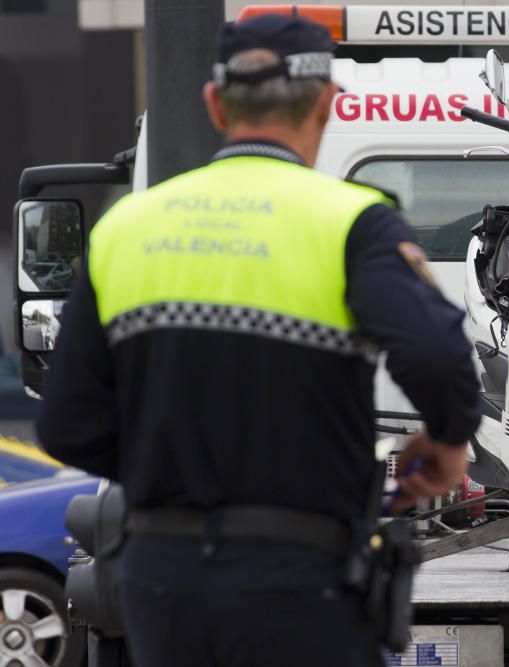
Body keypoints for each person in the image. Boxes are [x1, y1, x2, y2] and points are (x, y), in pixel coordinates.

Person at [36, 14, 481, 667]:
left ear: (217, 103)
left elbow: (67, 424)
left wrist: (173, 468)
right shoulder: (351, 223)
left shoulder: (125, 228)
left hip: (163, 583)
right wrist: (444, 444)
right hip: (301, 579)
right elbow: (439, 356)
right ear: (328, 103)